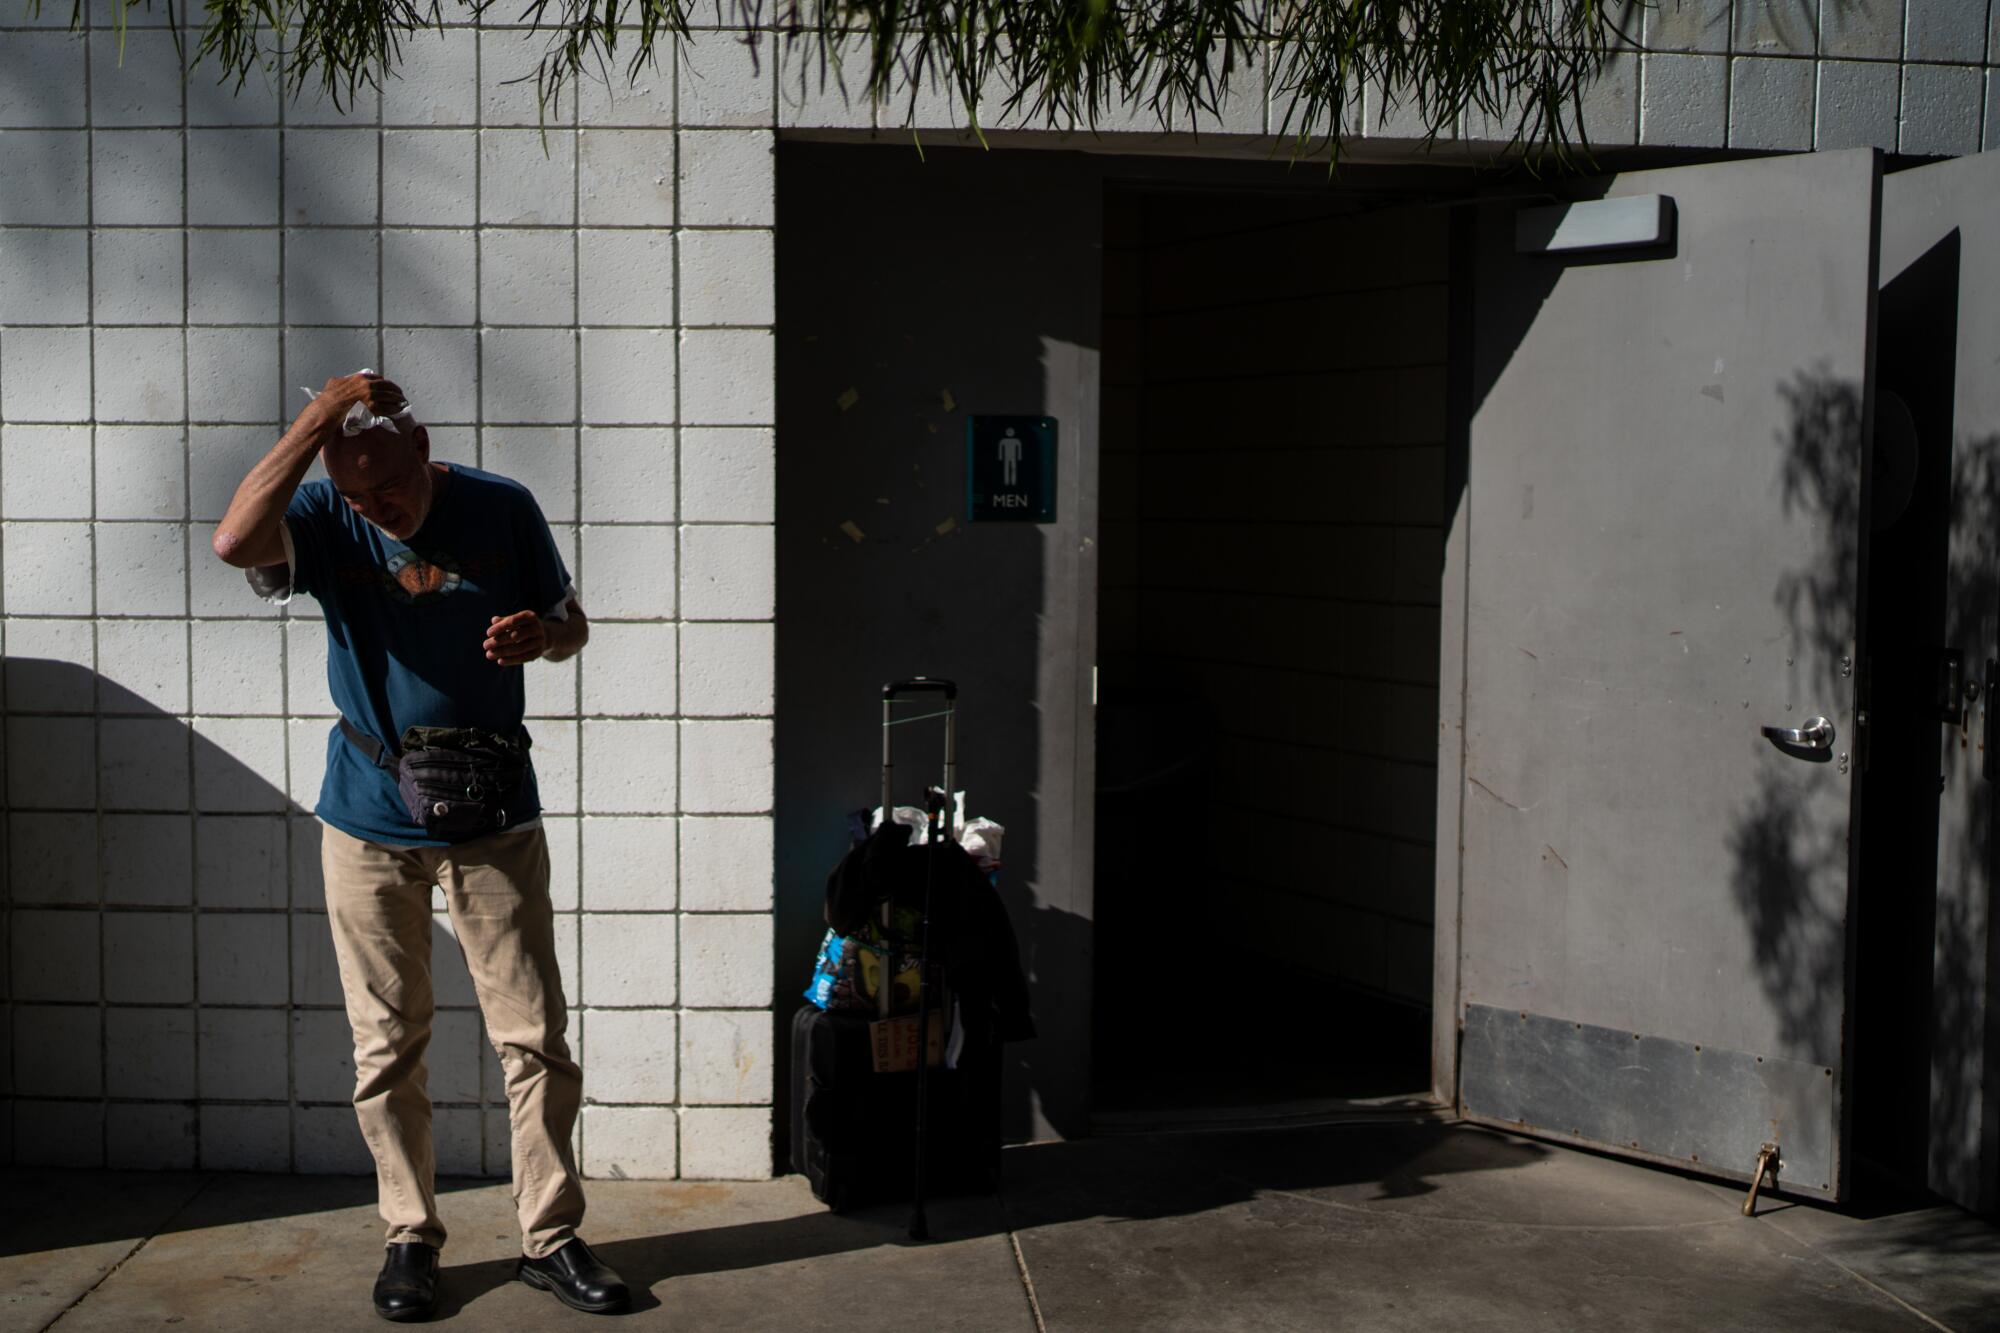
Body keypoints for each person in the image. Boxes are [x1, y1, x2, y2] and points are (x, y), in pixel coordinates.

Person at [212, 371, 629, 1321]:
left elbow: (575, 624)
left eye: (386, 487)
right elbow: (235, 540)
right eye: (354, 492)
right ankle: (410, 1233)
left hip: (494, 814)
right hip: (367, 816)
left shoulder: (500, 507)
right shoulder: (320, 516)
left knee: (535, 1037)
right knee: (387, 1044)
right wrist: (318, 418)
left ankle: (551, 1235)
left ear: (422, 446)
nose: (375, 508)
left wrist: (544, 637)